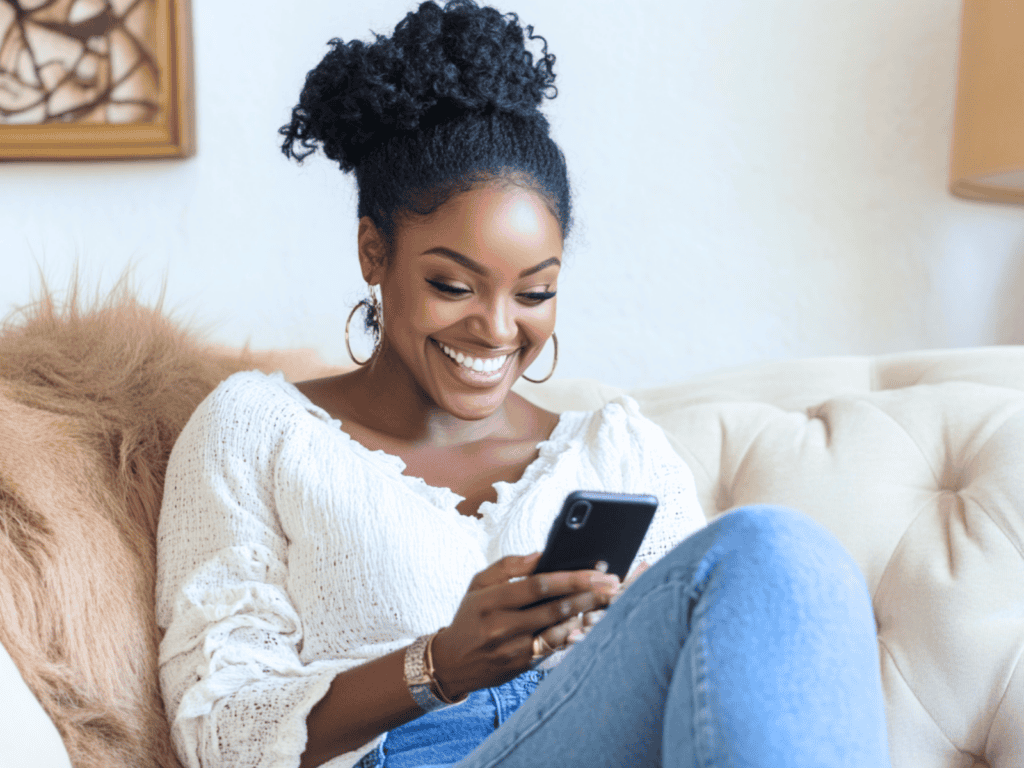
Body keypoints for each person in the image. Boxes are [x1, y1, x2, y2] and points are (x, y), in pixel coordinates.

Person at [155, 2, 892, 766]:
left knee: (784, 556)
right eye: (452, 284)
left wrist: (630, 626)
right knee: (765, 545)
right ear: (374, 253)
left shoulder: (618, 448)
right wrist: (438, 666)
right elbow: (220, 734)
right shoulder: (259, 429)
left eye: (534, 293)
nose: (498, 329)